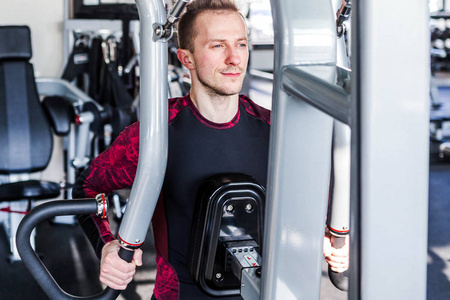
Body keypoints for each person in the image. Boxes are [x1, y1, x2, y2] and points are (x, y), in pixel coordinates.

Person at [72, 0, 349, 299]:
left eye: (241, 44)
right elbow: (87, 187)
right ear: (186, 58)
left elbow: (324, 197)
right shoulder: (155, 134)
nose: (234, 59)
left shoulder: (278, 132)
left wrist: (330, 234)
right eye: (218, 46)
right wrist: (107, 245)